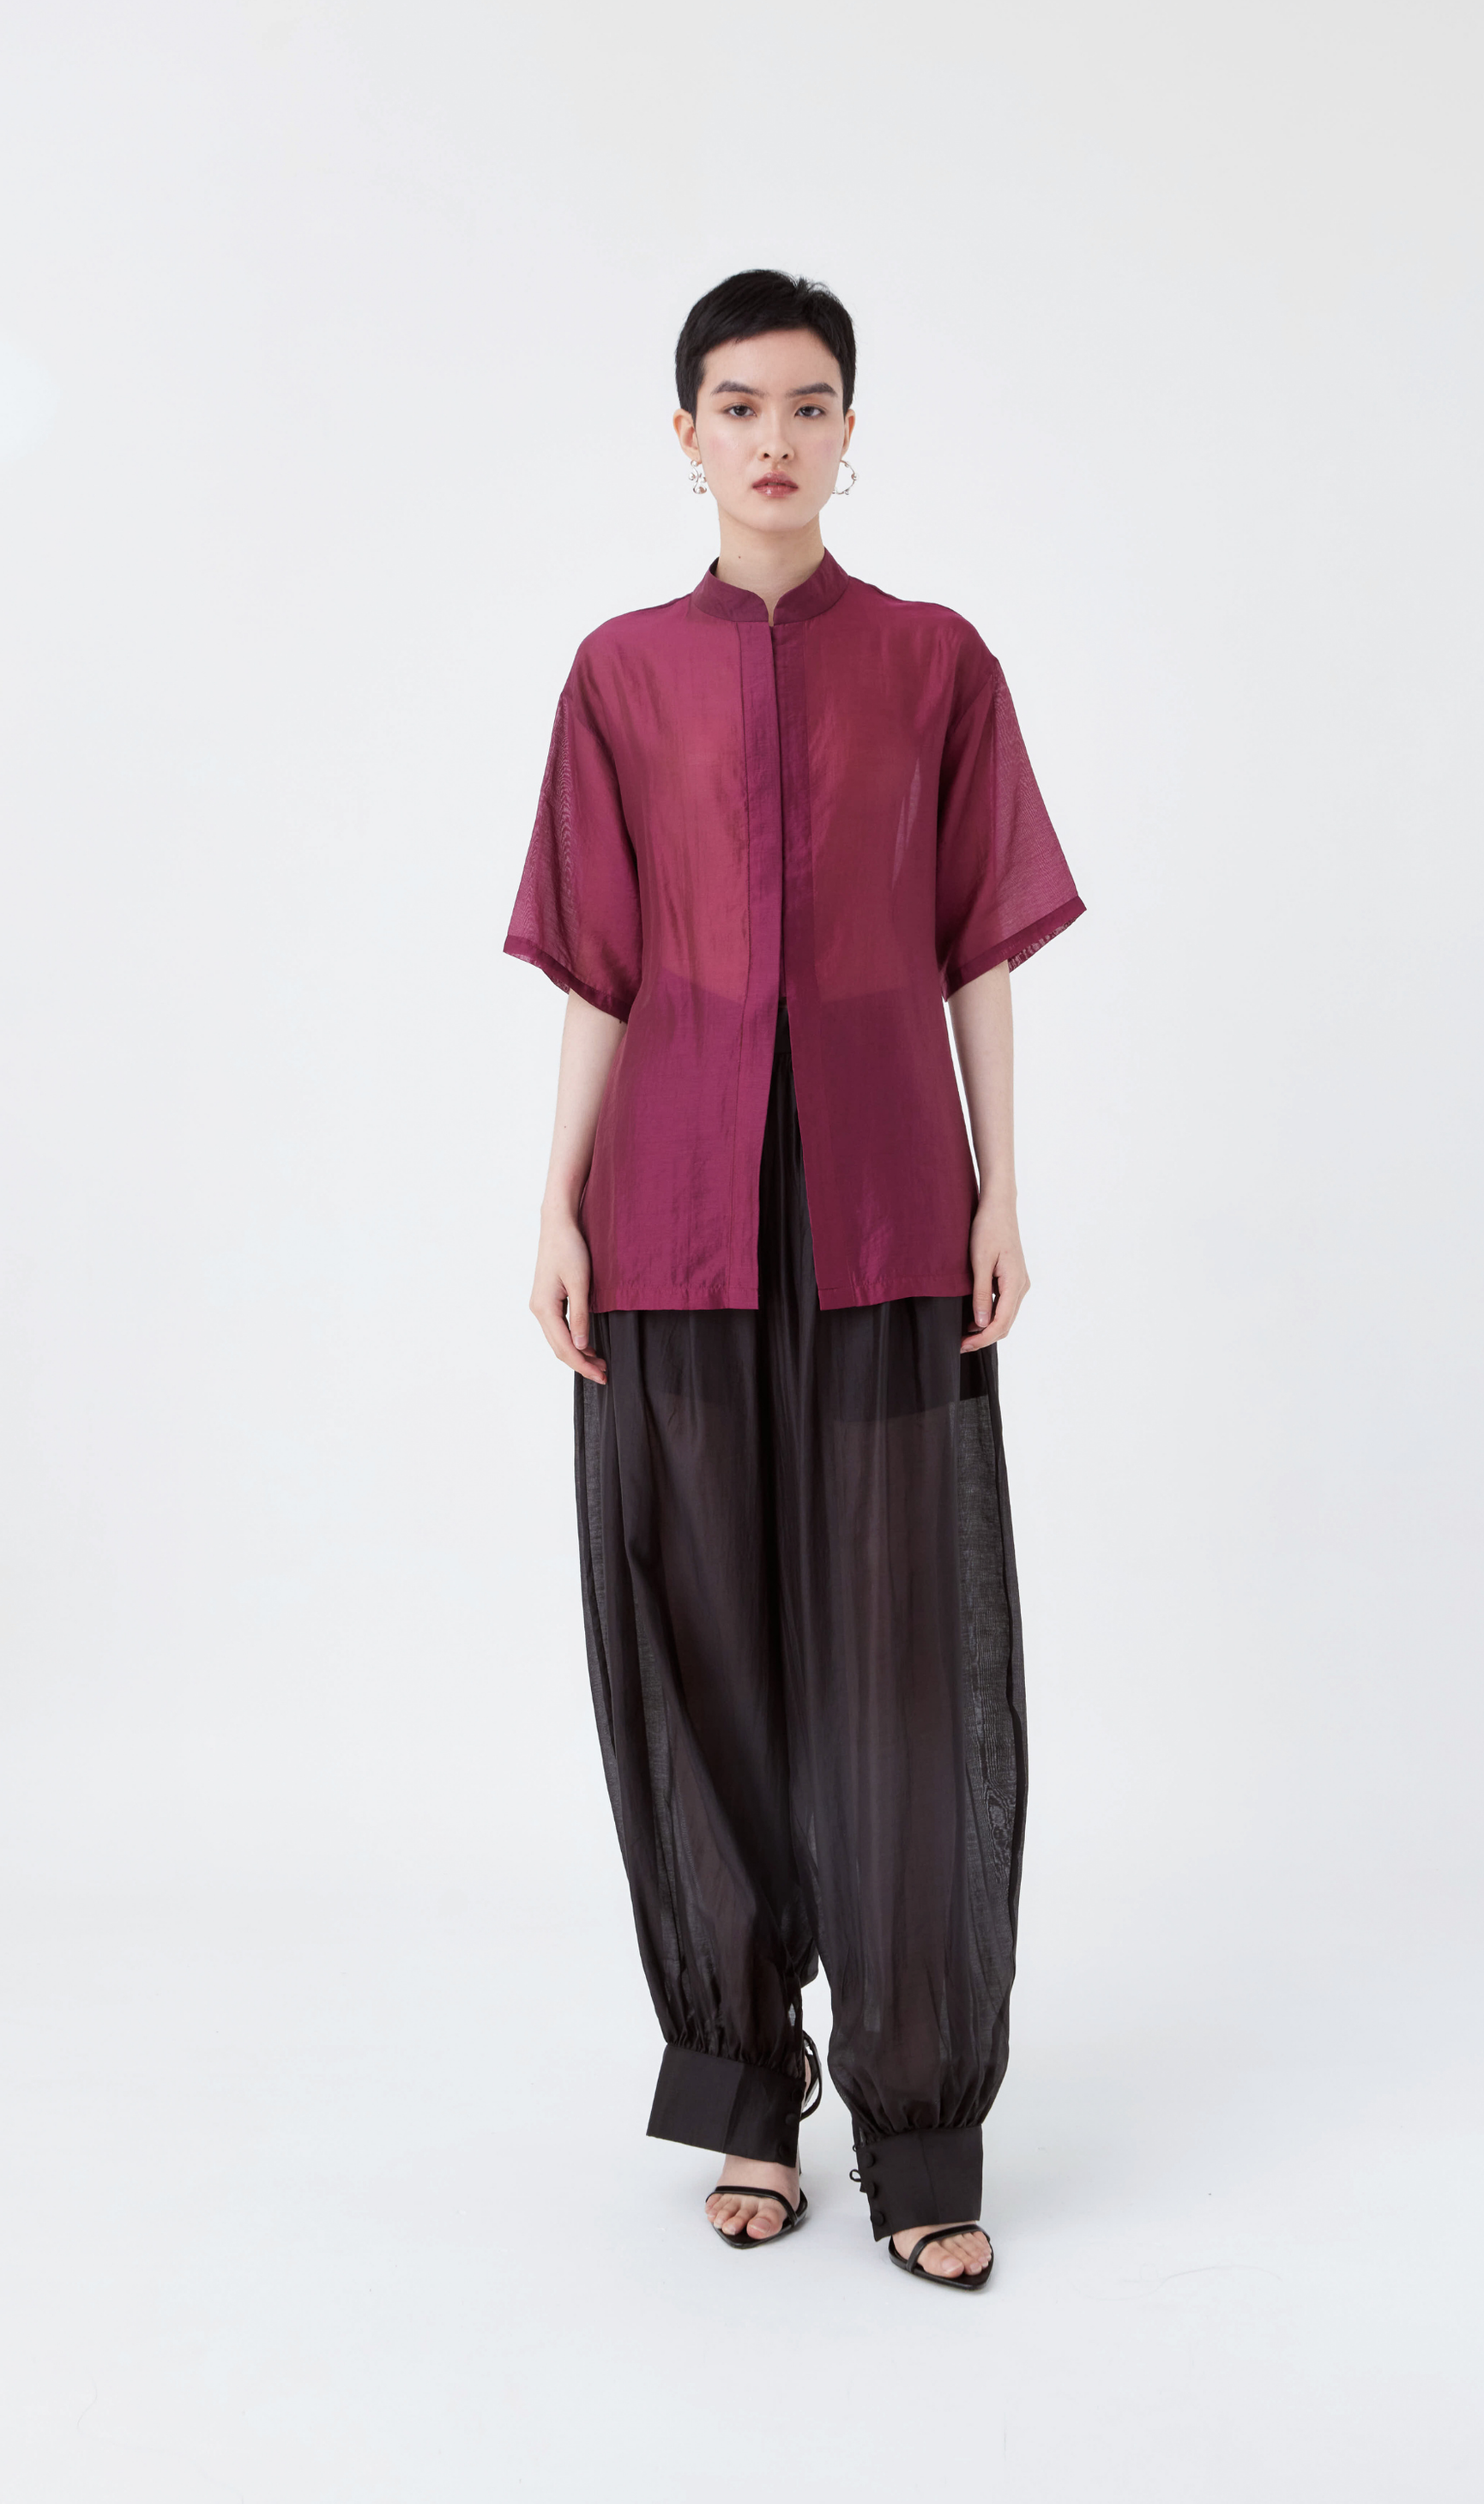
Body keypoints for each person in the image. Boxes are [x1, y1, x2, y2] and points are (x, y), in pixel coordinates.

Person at [504, 269, 1083, 2290]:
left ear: (850, 431)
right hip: (668, 1204)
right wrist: (554, 1201)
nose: (773, 436)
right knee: (703, 1650)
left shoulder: (934, 661)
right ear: (684, 434)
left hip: (886, 1203)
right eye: (738, 404)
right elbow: (597, 963)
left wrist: (1002, 1183)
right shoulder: (617, 674)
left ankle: (921, 2121)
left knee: (899, 1660)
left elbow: (974, 942)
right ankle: (746, 2086)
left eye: (809, 403)